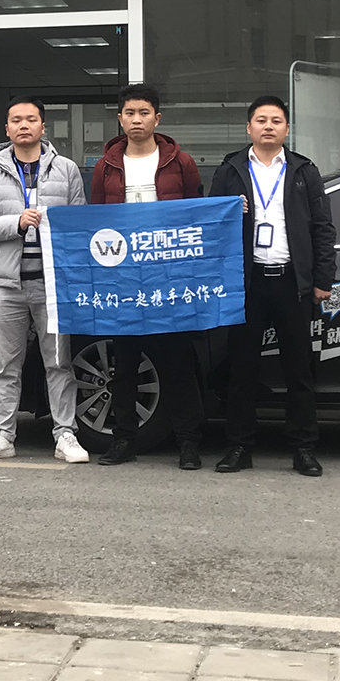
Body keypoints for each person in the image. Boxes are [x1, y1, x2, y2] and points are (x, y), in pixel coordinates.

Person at [212, 94, 337, 477]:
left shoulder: (303, 171)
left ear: (287, 129)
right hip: (247, 282)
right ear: (249, 127)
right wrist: (230, 212)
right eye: (261, 120)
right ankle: (239, 446)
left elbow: (323, 228)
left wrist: (322, 279)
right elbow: (212, 225)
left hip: (291, 282)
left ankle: (303, 448)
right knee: (242, 369)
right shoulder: (231, 170)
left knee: (299, 370)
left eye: (276, 121)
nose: (269, 126)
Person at [89, 84, 207, 470]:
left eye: (143, 113)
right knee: (124, 364)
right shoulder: (105, 166)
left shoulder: (181, 163)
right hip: (124, 279)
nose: (136, 120)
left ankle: (188, 442)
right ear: (119, 119)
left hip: (169, 277)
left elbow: (196, 216)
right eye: (129, 113)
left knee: (179, 363)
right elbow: (96, 222)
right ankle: (124, 440)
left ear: (157, 118)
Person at [0, 97, 91, 464]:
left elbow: (80, 223)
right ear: (7, 129)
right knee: (6, 366)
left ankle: (65, 434)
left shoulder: (66, 169)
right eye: (17, 120)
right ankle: (3, 435)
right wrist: (16, 223)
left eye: (31, 119)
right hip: (6, 284)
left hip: (53, 284)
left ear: (43, 127)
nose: (24, 125)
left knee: (59, 363)